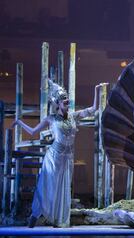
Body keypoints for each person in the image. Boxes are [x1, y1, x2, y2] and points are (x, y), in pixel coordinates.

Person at [12, 80, 106, 228]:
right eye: (65, 102)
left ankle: (59, 220)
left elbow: (94, 108)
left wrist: (97, 90)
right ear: (58, 104)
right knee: (47, 187)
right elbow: (32, 132)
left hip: (67, 158)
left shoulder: (74, 116)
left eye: (68, 102)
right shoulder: (50, 119)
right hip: (53, 156)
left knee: (63, 189)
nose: (67, 105)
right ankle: (35, 215)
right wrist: (19, 122)